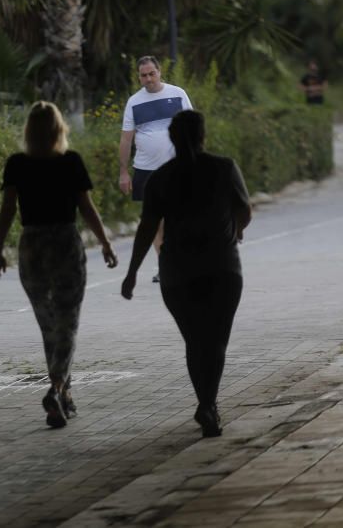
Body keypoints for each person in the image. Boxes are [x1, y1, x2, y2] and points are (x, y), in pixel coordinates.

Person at [121, 110, 251, 438]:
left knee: (195, 341)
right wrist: (234, 227)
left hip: (178, 273)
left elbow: (147, 227)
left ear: (172, 139)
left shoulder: (160, 178)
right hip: (222, 268)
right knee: (215, 341)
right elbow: (244, 210)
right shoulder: (223, 167)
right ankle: (208, 404)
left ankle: (205, 402)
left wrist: (132, 272)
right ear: (203, 135)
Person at [0, 101, 118, 428]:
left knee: (49, 325)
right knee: (67, 322)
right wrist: (104, 243)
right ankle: (57, 386)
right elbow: (87, 208)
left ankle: (65, 396)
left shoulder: (16, 164)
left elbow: (7, 209)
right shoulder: (71, 162)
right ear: (59, 129)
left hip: (31, 247)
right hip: (64, 245)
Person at [118, 55, 193, 283]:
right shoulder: (134, 102)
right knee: (155, 220)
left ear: (160, 72)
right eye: (144, 75)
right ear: (138, 77)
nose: (149, 79)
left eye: (152, 73)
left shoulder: (177, 94)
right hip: (146, 170)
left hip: (176, 167)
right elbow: (126, 140)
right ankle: (165, 266)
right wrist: (123, 172)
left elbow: (193, 127)